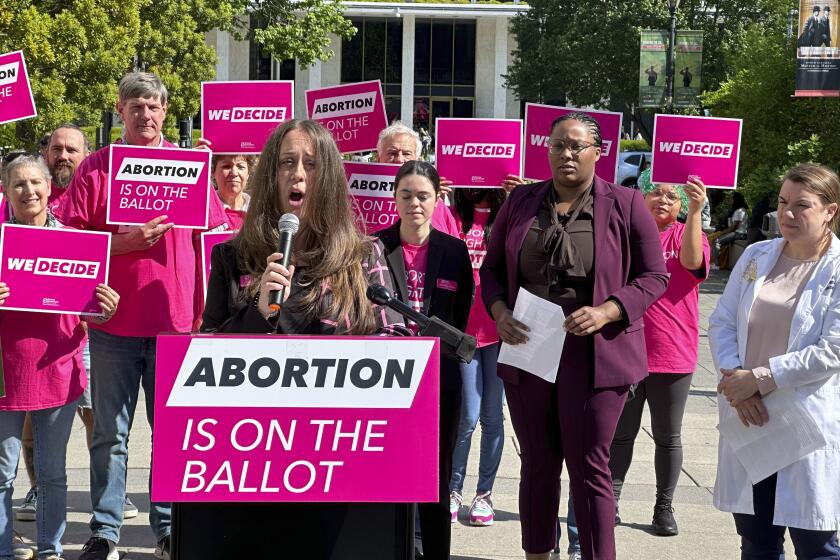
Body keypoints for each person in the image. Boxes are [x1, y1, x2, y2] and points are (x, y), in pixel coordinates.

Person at [201, 119, 410, 557]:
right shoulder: (230, 255)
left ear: (329, 177)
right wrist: (258, 312)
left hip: (342, 456)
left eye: (311, 164)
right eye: (286, 163)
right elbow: (206, 356)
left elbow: (393, 339)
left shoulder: (362, 254)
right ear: (270, 177)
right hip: (256, 459)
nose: (298, 174)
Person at [480, 112, 668, 560]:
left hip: (596, 355)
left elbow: (654, 276)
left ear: (597, 153)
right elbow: (490, 270)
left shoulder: (625, 203)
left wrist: (608, 310)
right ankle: (537, 553)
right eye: (557, 144)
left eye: (576, 146)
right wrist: (500, 309)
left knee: (590, 469)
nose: (565, 153)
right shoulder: (521, 202)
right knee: (538, 466)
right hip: (530, 348)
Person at [56, 71, 227, 560]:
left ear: (165, 111)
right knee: (110, 434)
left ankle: (168, 528)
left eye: (153, 106)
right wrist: (123, 243)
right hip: (113, 326)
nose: (145, 114)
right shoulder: (98, 167)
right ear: (121, 110)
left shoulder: (188, 165)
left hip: (176, 323)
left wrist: (207, 315)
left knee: (171, 435)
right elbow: (67, 241)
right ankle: (106, 531)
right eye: (135, 106)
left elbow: (216, 236)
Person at [709, 163, 840, 559]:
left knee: (817, 545)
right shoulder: (756, 255)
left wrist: (761, 378)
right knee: (757, 539)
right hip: (751, 416)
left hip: (804, 422)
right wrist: (737, 382)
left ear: (830, 211)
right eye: (783, 203)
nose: (786, 214)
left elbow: (832, 350)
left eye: (802, 206)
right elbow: (722, 321)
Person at [0, 153, 119, 560]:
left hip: (57, 369)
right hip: (6, 372)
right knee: (2, 473)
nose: (28, 191)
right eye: (18, 184)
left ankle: (50, 549)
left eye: (35, 182)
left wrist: (105, 306)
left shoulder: (76, 243)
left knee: (53, 473)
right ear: (7, 192)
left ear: (50, 188)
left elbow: (90, 310)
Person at [376, 160, 474, 558]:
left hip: (440, 380)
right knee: (388, 475)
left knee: (436, 476)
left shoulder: (454, 251)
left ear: (437, 200)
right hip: (388, 378)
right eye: (406, 195)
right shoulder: (376, 246)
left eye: (423, 196)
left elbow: (461, 312)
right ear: (394, 198)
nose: (414, 203)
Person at [609, 169, 709, 536]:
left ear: (681, 203)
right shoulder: (627, 234)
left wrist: (696, 213)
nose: (663, 200)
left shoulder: (689, 234)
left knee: (669, 437)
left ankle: (663, 508)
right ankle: (612, 501)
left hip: (673, 352)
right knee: (620, 434)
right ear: (643, 196)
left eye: (672, 196)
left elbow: (690, 263)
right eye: (656, 193)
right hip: (628, 349)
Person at [439, 187, 507, 528]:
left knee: (493, 417)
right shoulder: (450, 213)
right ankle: (453, 489)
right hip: (463, 333)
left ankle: (484, 494)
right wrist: (438, 200)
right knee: (467, 416)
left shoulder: (507, 213)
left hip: (499, 331)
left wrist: (514, 199)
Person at [212, 154, 256, 231]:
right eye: (226, 166)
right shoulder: (203, 209)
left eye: (240, 167)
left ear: (248, 174)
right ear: (213, 172)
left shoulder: (259, 210)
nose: (234, 173)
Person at [709, 191, 748, 268]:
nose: (731, 201)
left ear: (736, 200)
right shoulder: (738, 210)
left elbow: (733, 227)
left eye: (732, 199)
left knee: (717, 241)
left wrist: (722, 233)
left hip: (739, 234)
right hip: (736, 233)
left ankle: (716, 264)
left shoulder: (740, 211)